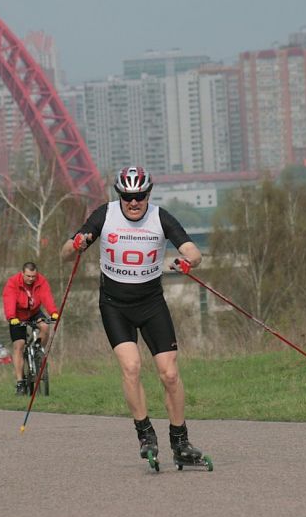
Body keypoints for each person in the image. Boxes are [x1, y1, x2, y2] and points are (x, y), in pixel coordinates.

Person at [60, 166, 206, 466]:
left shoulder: (160, 217)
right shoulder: (106, 215)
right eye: (127, 196)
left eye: (139, 196)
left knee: (170, 373)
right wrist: (76, 244)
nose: (134, 202)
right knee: (131, 367)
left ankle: (180, 440)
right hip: (114, 305)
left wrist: (189, 261)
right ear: (120, 196)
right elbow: (64, 252)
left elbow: (193, 251)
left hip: (151, 304)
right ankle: (145, 433)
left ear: (148, 194)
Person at [2, 261, 59, 394]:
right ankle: (20, 382)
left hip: (34, 312)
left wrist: (53, 312)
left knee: (45, 326)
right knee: (19, 345)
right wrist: (11, 317)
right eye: (28, 276)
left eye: (33, 276)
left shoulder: (41, 281)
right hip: (17, 315)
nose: (31, 279)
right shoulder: (12, 283)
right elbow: (9, 299)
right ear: (22, 274)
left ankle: (38, 351)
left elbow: (46, 296)